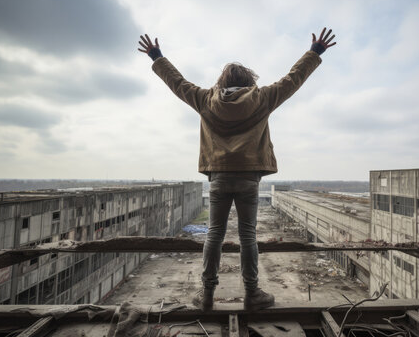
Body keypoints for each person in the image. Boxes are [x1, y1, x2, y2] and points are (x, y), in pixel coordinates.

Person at [138, 28, 336, 311]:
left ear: (222, 81)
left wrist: (156, 57)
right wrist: (315, 51)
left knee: (214, 235)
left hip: (218, 177)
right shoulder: (262, 98)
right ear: (248, 81)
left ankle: (206, 295)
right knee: (248, 236)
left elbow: (177, 83)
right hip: (248, 178)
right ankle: (252, 294)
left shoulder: (206, 99)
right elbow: (293, 80)